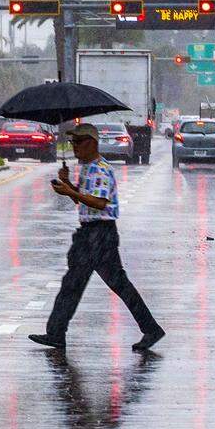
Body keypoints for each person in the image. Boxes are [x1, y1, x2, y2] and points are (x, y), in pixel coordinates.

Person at [29, 123, 165, 351]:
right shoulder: (87, 168)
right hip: (90, 233)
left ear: (92, 143)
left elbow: (100, 203)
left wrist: (71, 191)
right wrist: (68, 184)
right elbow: (84, 201)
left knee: (92, 283)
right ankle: (56, 333)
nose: (74, 147)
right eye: (72, 143)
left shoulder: (101, 169)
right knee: (80, 283)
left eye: (78, 142)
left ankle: (57, 333)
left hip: (100, 235)